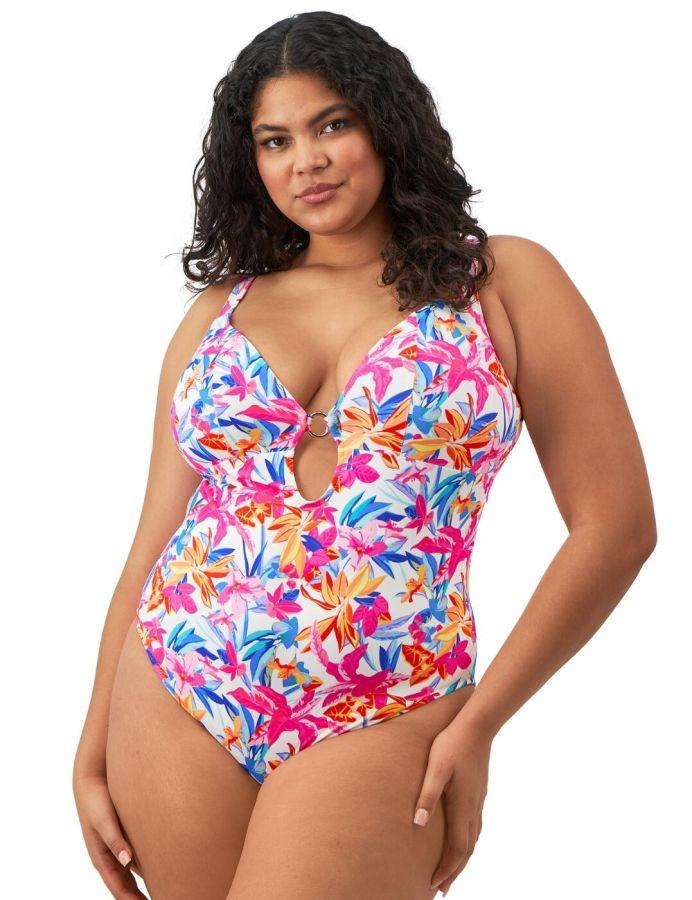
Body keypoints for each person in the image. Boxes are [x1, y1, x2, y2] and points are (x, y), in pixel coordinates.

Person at [72, 11, 656, 899]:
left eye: (331, 125)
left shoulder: (502, 282)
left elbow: (617, 529)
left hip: (387, 703)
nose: (305, 160)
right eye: (275, 140)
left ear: (386, 124)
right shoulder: (216, 314)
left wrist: (480, 724)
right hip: (177, 685)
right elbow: (151, 540)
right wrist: (89, 749)